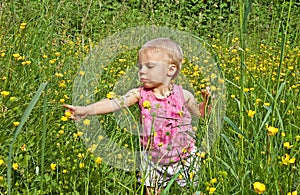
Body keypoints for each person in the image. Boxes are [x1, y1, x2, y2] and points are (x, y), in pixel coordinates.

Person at [64, 38, 210, 195]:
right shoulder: (139, 94)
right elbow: (115, 103)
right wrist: (85, 110)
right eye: (140, 66)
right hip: (154, 158)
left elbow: (201, 114)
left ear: (171, 70)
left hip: (185, 157)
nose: (142, 71)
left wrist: (207, 102)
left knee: (190, 191)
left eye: (149, 66)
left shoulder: (184, 95)